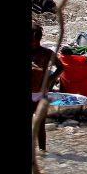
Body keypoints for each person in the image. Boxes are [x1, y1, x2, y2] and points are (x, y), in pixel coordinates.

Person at [31, 22, 64, 152]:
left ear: (39, 39)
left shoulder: (46, 53)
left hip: (41, 94)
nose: (33, 43)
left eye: (35, 41)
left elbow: (61, 67)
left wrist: (51, 79)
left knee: (41, 126)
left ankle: (43, 151)